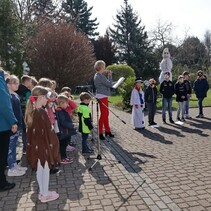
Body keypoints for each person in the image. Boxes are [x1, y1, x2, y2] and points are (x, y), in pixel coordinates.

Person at [25, 86, 60, 202]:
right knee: (45, 169)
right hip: (42, 147)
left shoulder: (34, 111)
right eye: (46, 97)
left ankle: (42, 192)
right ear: (40, 97)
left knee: (40, 169)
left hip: (37, 147)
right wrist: (53, 145)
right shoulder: (40, 113)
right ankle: (45, 195)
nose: (48, 100)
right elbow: (48, 133)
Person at [0, 66, 17, 192]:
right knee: (1, 156)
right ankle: (2, 183)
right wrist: (13, 121)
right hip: (2, 125)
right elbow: (4, 104)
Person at [6, 75, 27, 177]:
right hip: (12, 126)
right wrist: (12, 123)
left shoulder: (15, 95)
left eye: (17, 83)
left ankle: (14, 164)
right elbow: (8, 112)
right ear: (8, 84)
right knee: (10, 147)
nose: (17, 85)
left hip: (18, 124)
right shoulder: (7, 96)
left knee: (14, 146)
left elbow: (19, 111)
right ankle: (11, 168)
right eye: (14, 83)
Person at [93, 60, 114, 140]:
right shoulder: (100, 76)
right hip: (102, 96)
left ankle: (107, 131)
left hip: (102, 96)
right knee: (104, 115)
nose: (105, 68)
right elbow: (109, 84)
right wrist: (110, 76)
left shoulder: (99, 75)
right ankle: (100, 132)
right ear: (101, 67)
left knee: (106, 114)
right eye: (104, 66)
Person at [55, 95, 77, 164]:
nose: (67, 105)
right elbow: (63, 122)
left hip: (64, 131)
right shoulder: (60, 111)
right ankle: (63, 158)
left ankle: (64, 157)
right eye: (66, 103)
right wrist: (71, 125)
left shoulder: (61, 110)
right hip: (62, 132)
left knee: (64, 145)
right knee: (63, 145)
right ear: (61, 103)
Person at [16, 75, 32, 155]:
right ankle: (26, 148)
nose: (31, 83)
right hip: (25, 113)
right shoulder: (27, 91)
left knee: (18, 131)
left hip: (17, 113)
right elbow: (29, 103)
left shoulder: (16, 89)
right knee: (26, 131)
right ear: (26, 81)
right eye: (30, 81)